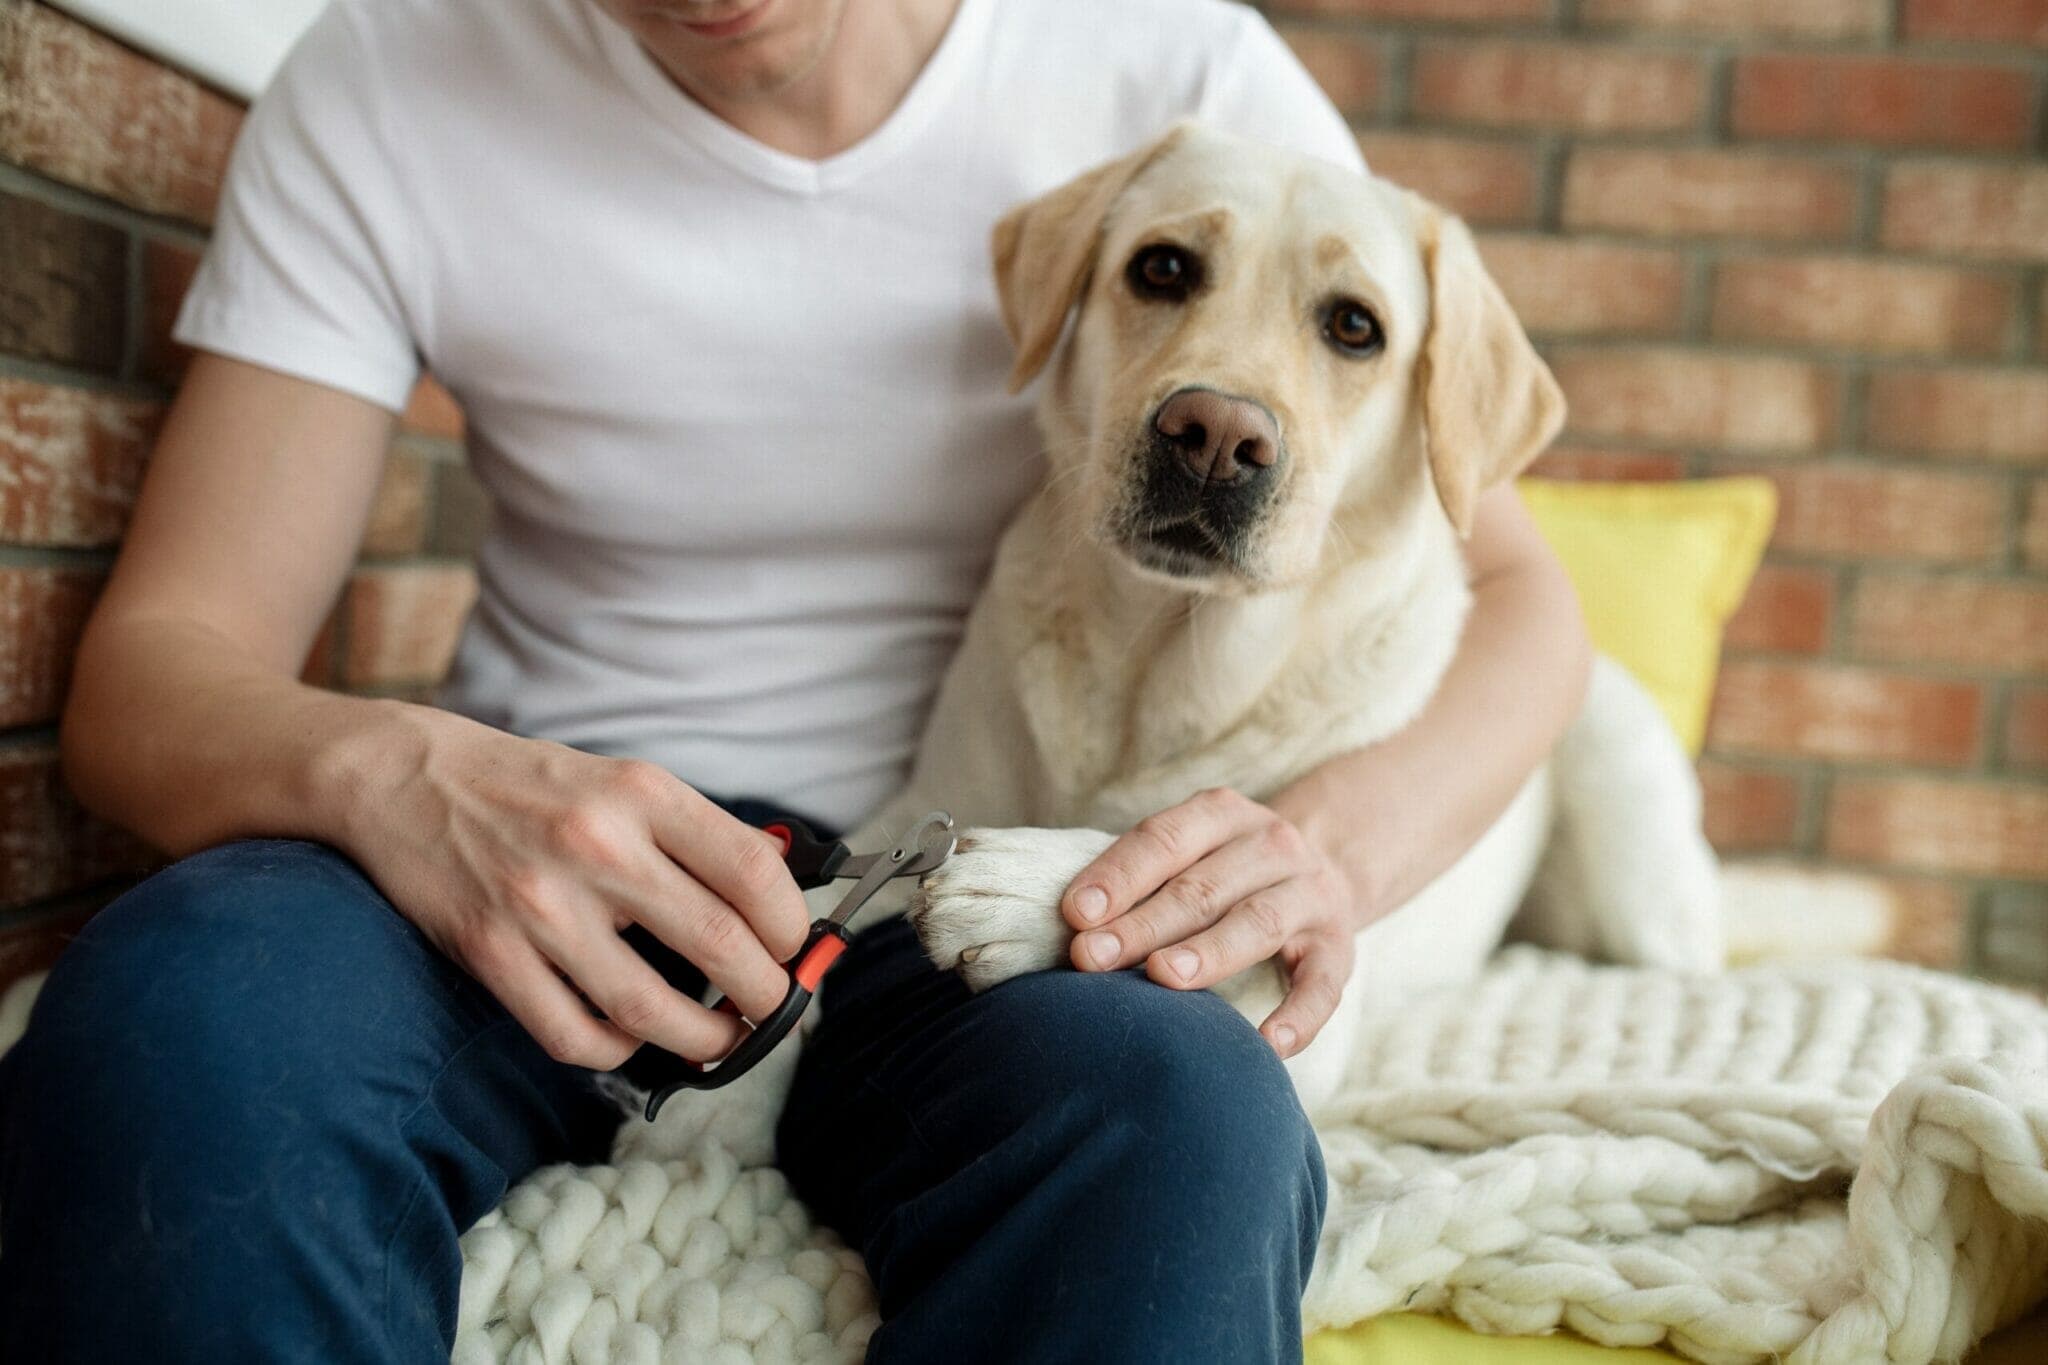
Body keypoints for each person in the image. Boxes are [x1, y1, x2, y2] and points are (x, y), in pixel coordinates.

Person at [0, 0, 1591, 1359]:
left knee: (1178, 1114)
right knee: (181, 1019)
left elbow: (1521, 591)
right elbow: (154, 678)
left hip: (963, 879)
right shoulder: (391, 75)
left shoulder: (1166, 68)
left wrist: (1319, 848)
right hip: (542, 850)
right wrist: (413, 775)